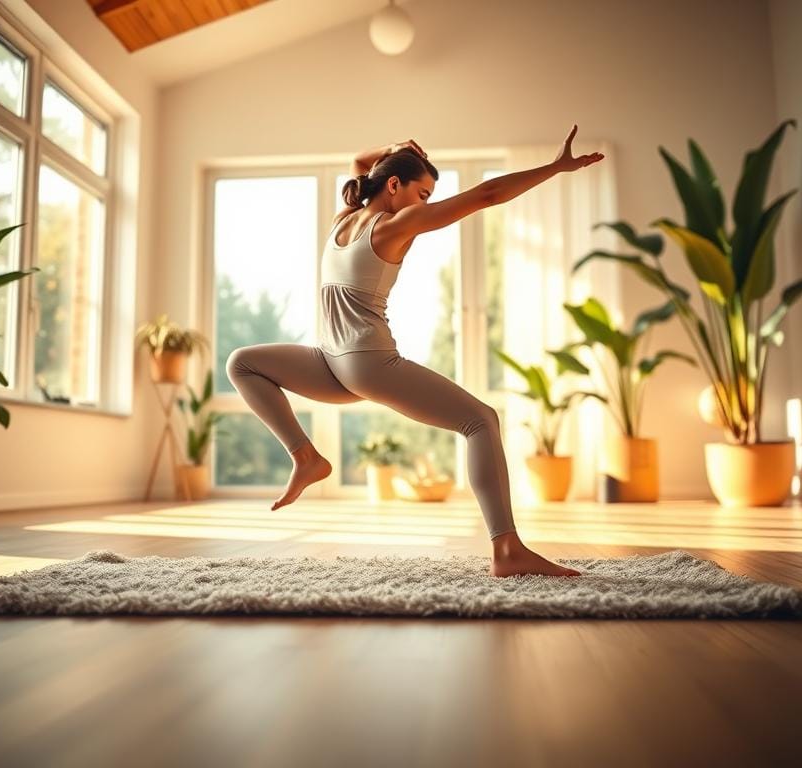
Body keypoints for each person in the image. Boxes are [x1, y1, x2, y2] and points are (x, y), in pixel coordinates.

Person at [226, 127, 604, 578]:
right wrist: (557, 167)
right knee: (481, 420)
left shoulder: (343, 220)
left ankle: (305, 456)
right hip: (366, 363)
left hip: (330, 363)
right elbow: (488, 194)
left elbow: (358, 161)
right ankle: (507, 550)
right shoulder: (394, 225)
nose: (425, 204)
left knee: (241, 362)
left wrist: (393, 150)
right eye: (422, 193)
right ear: (394, 185)